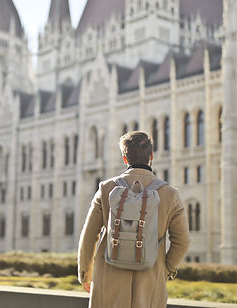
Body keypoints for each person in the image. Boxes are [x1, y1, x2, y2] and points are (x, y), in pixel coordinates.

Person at [77, 131, 190, 308]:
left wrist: (86, 273)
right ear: (151, 156)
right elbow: (182, 241)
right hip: (150, 278)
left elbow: (89, 236)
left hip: (109, 277)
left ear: (125, 158)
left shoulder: (106, 189)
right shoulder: (170, 194)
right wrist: (165, 269)